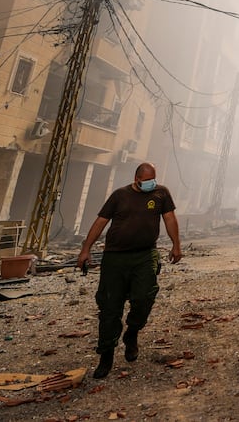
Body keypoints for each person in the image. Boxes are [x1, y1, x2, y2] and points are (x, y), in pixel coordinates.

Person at [77, 162, 183, 379]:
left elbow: (170, 219)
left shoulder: (161, 193)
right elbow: (100, 222)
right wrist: (86, 249)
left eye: (154, 178)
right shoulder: (120, 196)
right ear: (137, 180)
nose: (151, 183)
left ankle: (132, 333)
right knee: (109, 307)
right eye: (147, 180)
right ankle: (106, 355)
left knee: (145, 297)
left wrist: (176, 245)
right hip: (115, 258)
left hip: (145, 255)